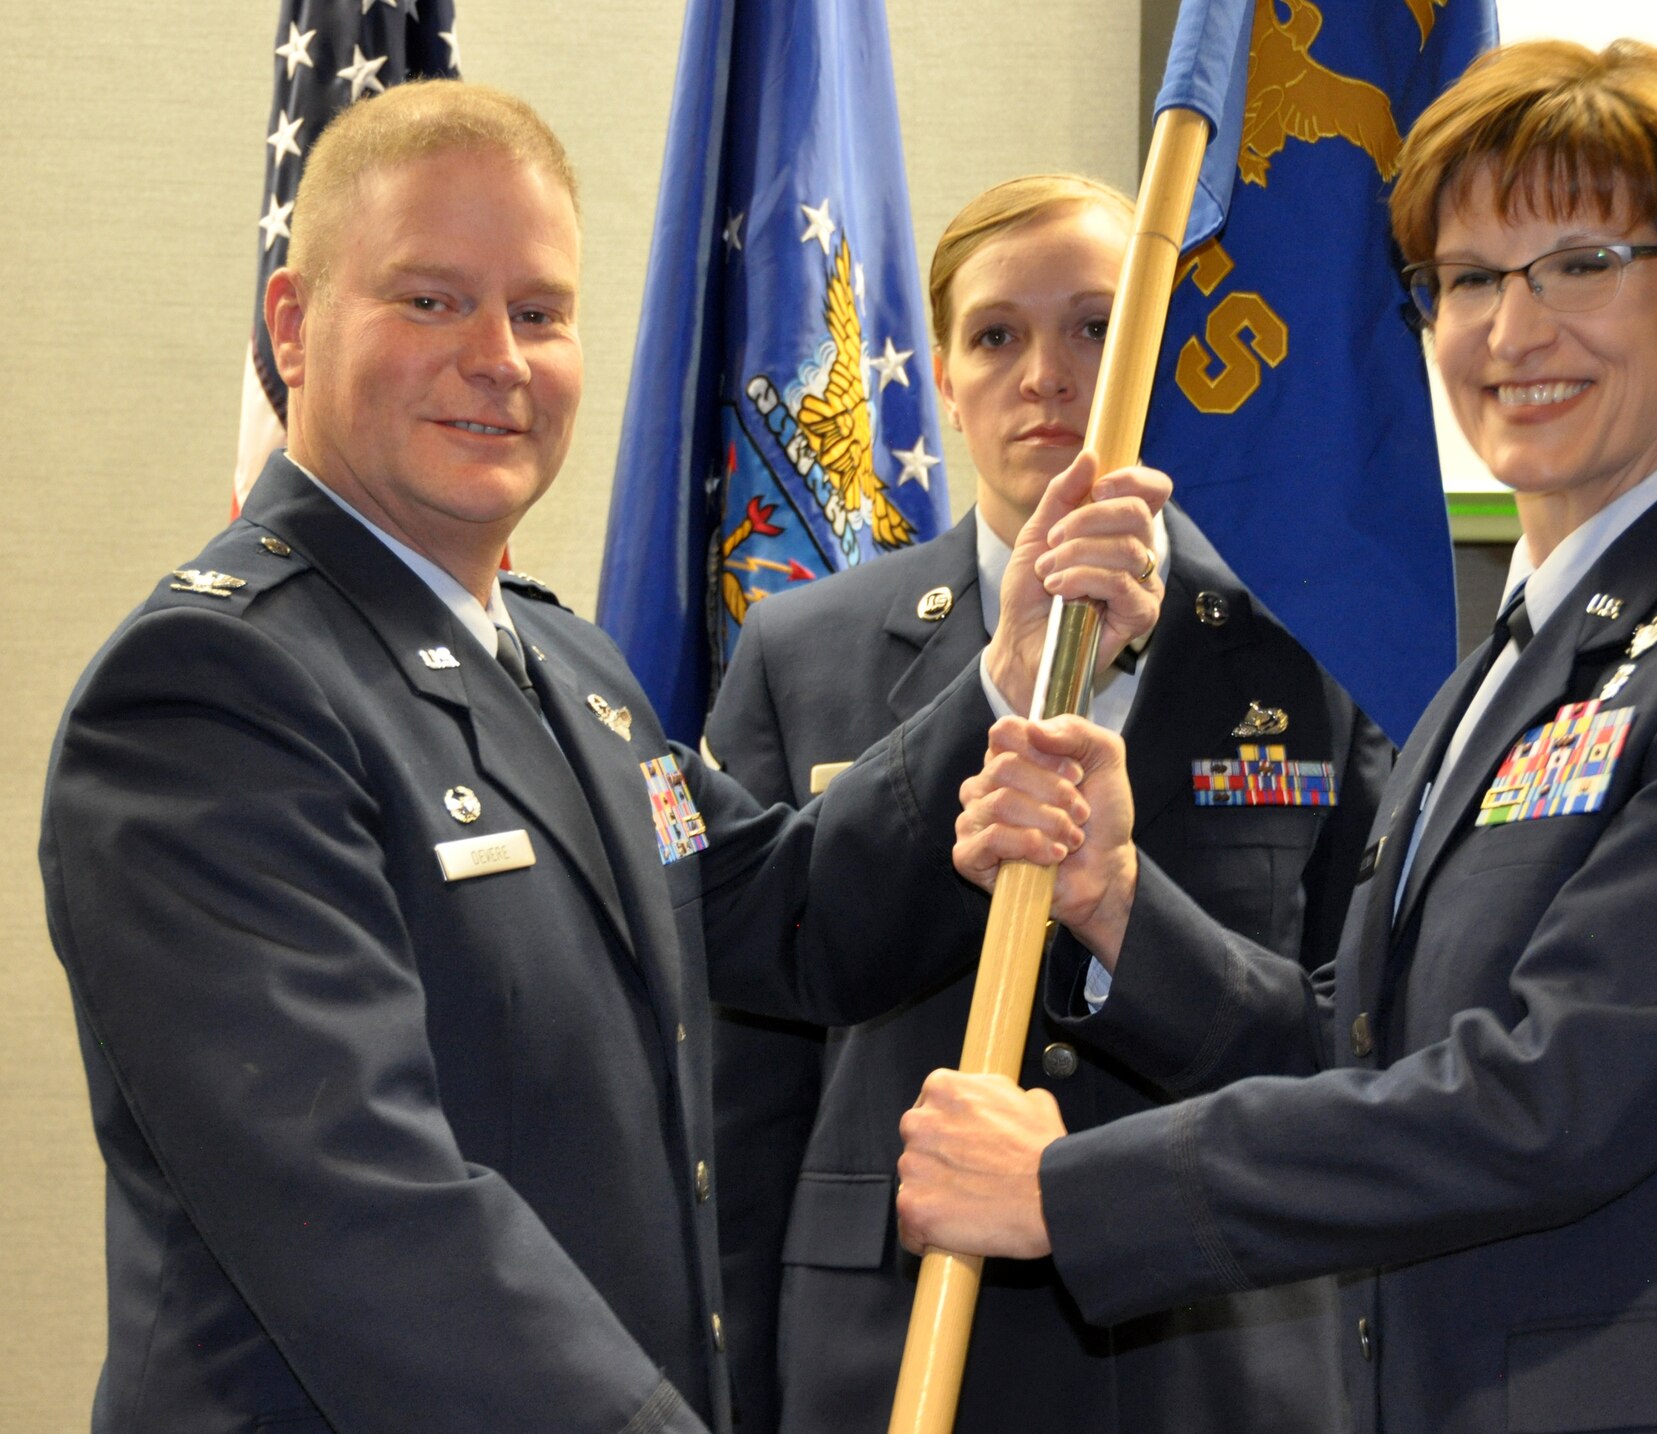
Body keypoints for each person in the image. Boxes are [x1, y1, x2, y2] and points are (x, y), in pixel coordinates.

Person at [38, 84, 1156, 1434]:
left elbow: (787, 912)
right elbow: (361, 1206)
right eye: (432, 300)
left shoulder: (569, 669)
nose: (497, 357)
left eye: (541, 311)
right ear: (293, 322)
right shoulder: (212, 693)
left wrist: (1006, 669)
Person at [899, 39, 1657, 1434]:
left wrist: (1072, 1190)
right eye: (1468, 279)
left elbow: (1555, 1092)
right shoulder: (1494, 677)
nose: (1514, 333)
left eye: (1582, 261)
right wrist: (1119, 903)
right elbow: (1366, 1048)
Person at [704, 174, 1390, 1434]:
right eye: (995, 336)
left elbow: (1359, 1045)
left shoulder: (1309, 657)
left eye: (1092, 325)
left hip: (1218, 1345)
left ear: (1159, 356)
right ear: (945, 380)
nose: (1046, 375)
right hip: (893, 1345)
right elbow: (748, 1080)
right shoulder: (804, 650)